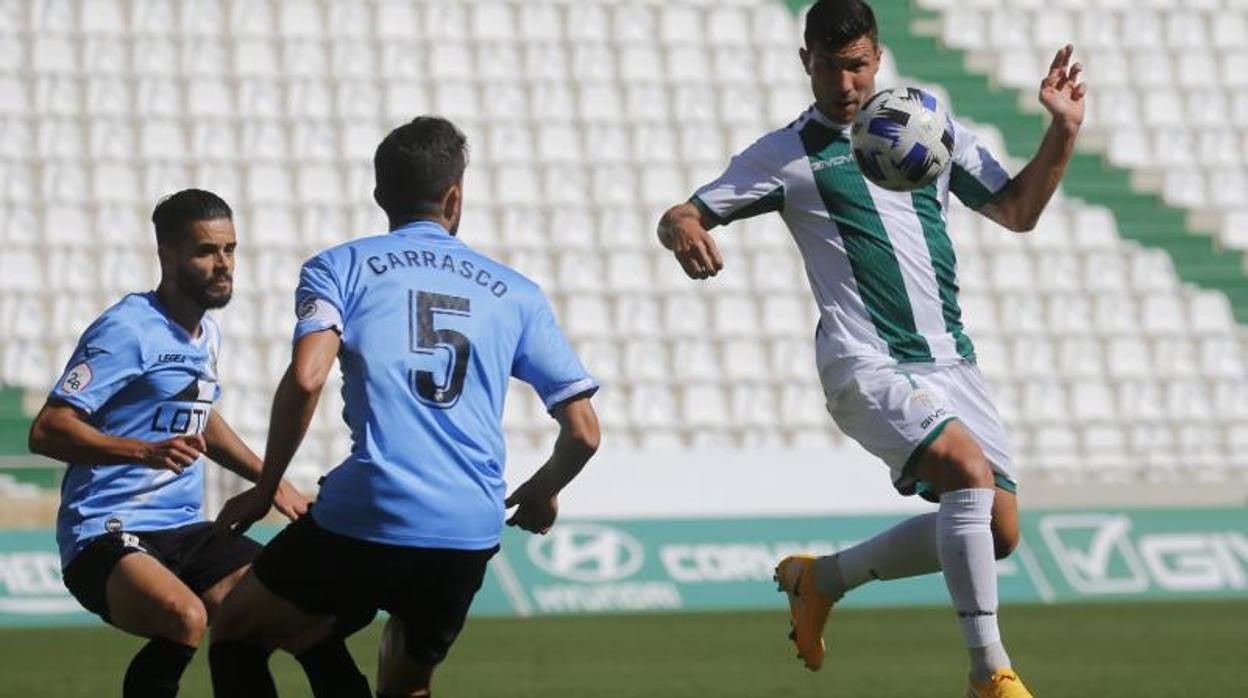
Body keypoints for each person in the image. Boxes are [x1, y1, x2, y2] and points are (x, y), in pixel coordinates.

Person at [656, 1, 1085, 696]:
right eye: (829, 67)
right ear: (807, 64)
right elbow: (684, 211)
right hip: (863, 361)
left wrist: (1061, 131)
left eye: (856, 65)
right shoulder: (786, 153)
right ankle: (989, 674)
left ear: (877, 57)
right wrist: (681, 231)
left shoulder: (926, 124)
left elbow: (1017, 211)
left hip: (950, 360)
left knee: (997, 530)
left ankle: (819, 579)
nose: (845, 82)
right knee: (966, 473)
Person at [206, 115, 601, 698]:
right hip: (468, 523)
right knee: (406, 681)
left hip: (372, 506)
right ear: (454, 197)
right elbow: (584, 431)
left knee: (238, 632)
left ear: (379, 195)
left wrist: (267, 488)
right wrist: (542, 490)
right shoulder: (516, 292)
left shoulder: (339, 267)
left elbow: (308, 377)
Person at [27, 189, 366, 697]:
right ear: (167, 255)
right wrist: (141, 451)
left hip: (185, 530)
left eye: (230, 250)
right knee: (184, 618)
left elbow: (202, 422)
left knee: (296, 617)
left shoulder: (206, 333)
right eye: (206, 251)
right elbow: (48, 428)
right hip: (106, 531)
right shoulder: (127, 329)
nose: (223, 264)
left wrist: (270, 482)